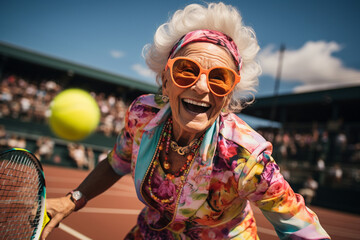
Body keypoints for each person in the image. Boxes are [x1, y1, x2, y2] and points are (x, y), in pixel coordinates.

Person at [42, 2, 330, 239]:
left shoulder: (246, 156)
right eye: (186, 70)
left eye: (219, 78)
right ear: (165, 81)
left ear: (229, 95)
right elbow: (116, 162)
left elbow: (302, 227)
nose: (202, 87)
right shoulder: (142, 115)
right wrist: (72, 200)